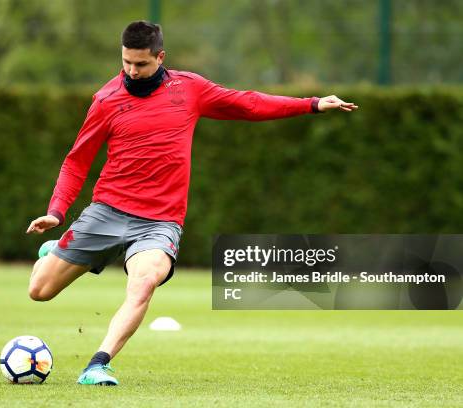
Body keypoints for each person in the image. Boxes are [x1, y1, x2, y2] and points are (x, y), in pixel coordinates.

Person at [26, 20, 357, 386]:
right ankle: (59, 248)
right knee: (39, 292)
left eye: (141, 64)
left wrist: (311, 104)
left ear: (160, 57)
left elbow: (247, 104)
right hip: (106, 211)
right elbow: (77, 160)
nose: (132, 72)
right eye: (126, 63)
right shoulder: (106, 100)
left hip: (159, 221)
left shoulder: (189, 89)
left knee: (144, 282)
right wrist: (57, 211)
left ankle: (97, 365)